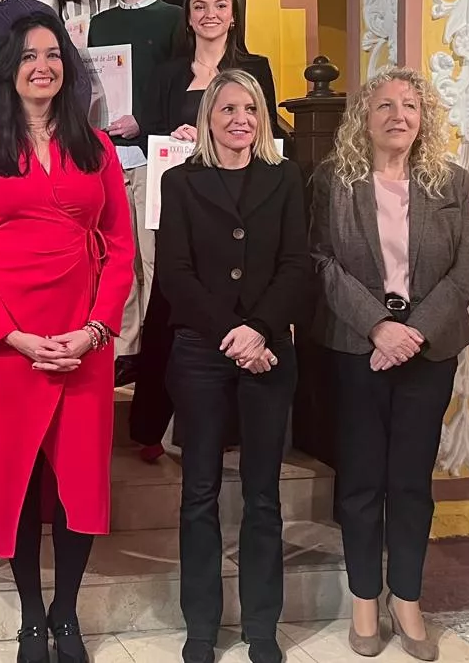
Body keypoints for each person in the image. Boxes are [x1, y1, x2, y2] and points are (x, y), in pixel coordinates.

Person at [0, 12, 134, 663]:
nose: (42, 66)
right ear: (9, 71)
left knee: (79, 481)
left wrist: (94, 330)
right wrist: (11, 335)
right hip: (7, 346)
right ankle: (31, 617)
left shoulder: (99, 148)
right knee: (19, 481)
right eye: (29, 56)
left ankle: (66, 612)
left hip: (82, 339)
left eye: (53, 55)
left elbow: (122, 250)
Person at [310, 68, 469, 662]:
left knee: (410, 481)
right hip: (358, 347)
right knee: (360, 480)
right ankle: (364, 597)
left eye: (410, 105)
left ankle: (406, 597)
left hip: (428, 350)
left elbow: (467, 267)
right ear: (365, 116)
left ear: (423, 118)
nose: (398, 115)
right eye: (384, 105)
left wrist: (413, 332)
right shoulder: (334, 179)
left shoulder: (450, 182)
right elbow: (322, 260)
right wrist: (378, 326)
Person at [156, 70, 311, 663]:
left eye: (251, 108)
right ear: (208, 118)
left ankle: (262, 627)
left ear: (262, 117)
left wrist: (260, 330)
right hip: (202, 351)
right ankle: (201, 626)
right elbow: (175, 273)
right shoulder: (181, 182)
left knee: (264, 494)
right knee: (199, 491)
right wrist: (232, 334)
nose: (240, 118)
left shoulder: (286, 177)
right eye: (227, 109)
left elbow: (297, 264)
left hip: (269, 347)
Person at [87, 0, 182, 452]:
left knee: (150, 256)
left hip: (154, 154)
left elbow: (176, 87)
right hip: (108, 156)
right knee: (114, 258)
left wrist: (144, 121)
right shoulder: (101, 25)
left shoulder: (172, 18)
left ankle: (147, 344)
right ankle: (122, 345)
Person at [152, 0, 275, 142]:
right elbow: (153, 136)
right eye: (199, 7)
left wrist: (206, 142)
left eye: (221, 6)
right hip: (183, 166)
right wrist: (174, 139)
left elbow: (269, 132)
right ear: (188, 17)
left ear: (233, 16)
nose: (210, 14)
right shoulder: (166, 74)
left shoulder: (256, 69)